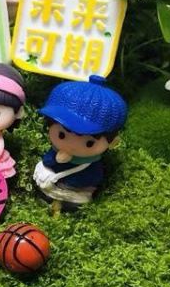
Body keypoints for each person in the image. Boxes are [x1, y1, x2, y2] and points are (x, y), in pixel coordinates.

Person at [34, 75, 127, 210]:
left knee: (71, 206)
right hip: (50, 187)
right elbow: (48, 160)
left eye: (89, 143)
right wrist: (54, 160)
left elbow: (94, 176)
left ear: (111, 142)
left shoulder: (91, 163)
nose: (72, 145)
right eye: (61, 135)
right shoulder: (55, 151)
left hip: (75, 193)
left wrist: (72, 181)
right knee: (44, 196)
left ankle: (65, 208)